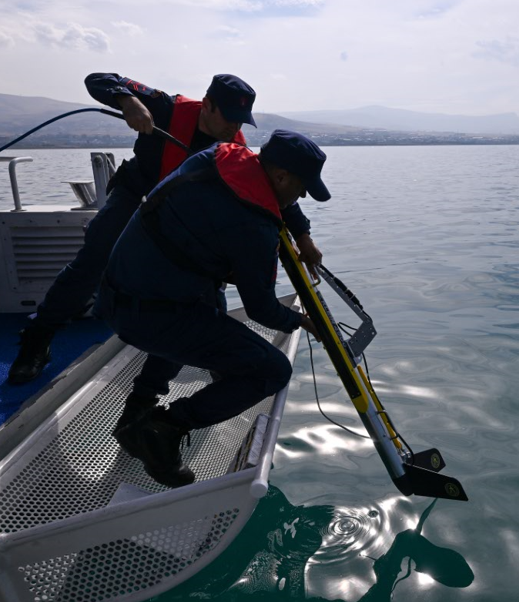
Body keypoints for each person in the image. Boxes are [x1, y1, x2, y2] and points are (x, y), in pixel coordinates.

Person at [7, 73, 323, 384]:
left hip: (176, 222)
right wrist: (128, 102)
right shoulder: (166, 108)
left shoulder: (233, 145)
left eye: (241, 121)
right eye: (229, 118)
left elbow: (267, 191)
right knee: (93, 260)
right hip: (136, 196)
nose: (234, 128)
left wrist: (303, 236)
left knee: (209, 288)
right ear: (208, 105)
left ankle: (217, 366)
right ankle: (37, 339)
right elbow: (98, 79)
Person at [96, 129, 329, 488]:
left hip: (121, 288)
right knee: (270, 370)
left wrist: (302, 234)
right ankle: (163, 428)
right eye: (302, 188)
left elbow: (273, 196)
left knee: (210, 307)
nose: (301, 197)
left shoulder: (220, 157)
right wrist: (302, 321)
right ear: (281, 176)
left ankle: (136, 413)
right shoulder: (254, 227)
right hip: (148, 313)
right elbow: (262, 310)